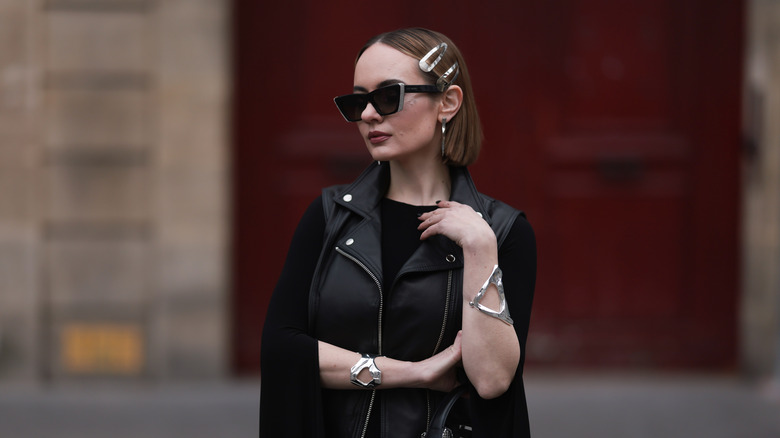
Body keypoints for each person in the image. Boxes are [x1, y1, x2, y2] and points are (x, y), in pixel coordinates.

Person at [259, 28, 536, 437]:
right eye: (358, 101)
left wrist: (480, 249)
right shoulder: (330, 217)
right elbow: (282, 349)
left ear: (448, 102)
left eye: (389, 97)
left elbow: (492, 380)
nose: (369, 114)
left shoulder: (502, 231)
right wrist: (413, 373)